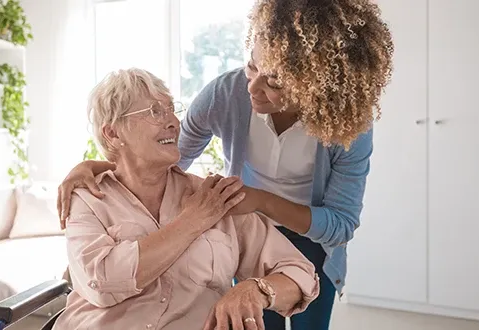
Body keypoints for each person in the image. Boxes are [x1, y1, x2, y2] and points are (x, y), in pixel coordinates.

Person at [57, 0, 394, 329]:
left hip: (303, 233)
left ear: (315, 84)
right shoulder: (226, 94)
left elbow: (340, 223)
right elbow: (167, 157)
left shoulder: (348, 123)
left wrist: (260, 203)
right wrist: (99, 165)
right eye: (251, 66)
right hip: (242, 213)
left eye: (275, 81)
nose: (253, 87)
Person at [53, 68, 319, 330]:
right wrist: (193, 220)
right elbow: (102, 281)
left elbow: (301, 274)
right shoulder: (87, 198)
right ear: (113, 133)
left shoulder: (216, 197)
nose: (173, 122)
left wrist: (257, 289)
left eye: (172, 109)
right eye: (155, 111)